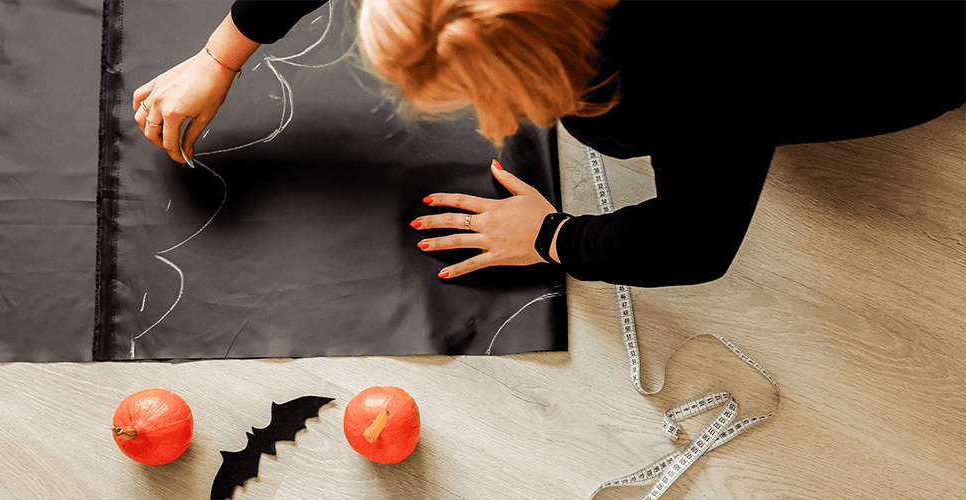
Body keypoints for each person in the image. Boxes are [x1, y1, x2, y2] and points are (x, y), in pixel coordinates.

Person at [133, 0, 965, 287]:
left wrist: (550, 236)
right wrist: (224, 51)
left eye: (477, 96)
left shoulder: (693, 75)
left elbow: (696, 238)